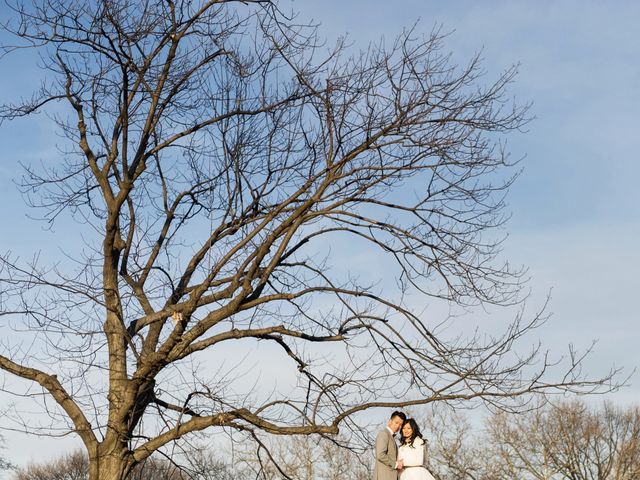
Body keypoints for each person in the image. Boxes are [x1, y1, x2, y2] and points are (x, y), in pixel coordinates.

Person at [374, 411, 406, 480]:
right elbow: (380, 455)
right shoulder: (384, 434)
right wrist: (396, 464)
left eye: (400, 425)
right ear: (390, 421)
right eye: (396, 423)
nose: (398, 426)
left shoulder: (392, 437)